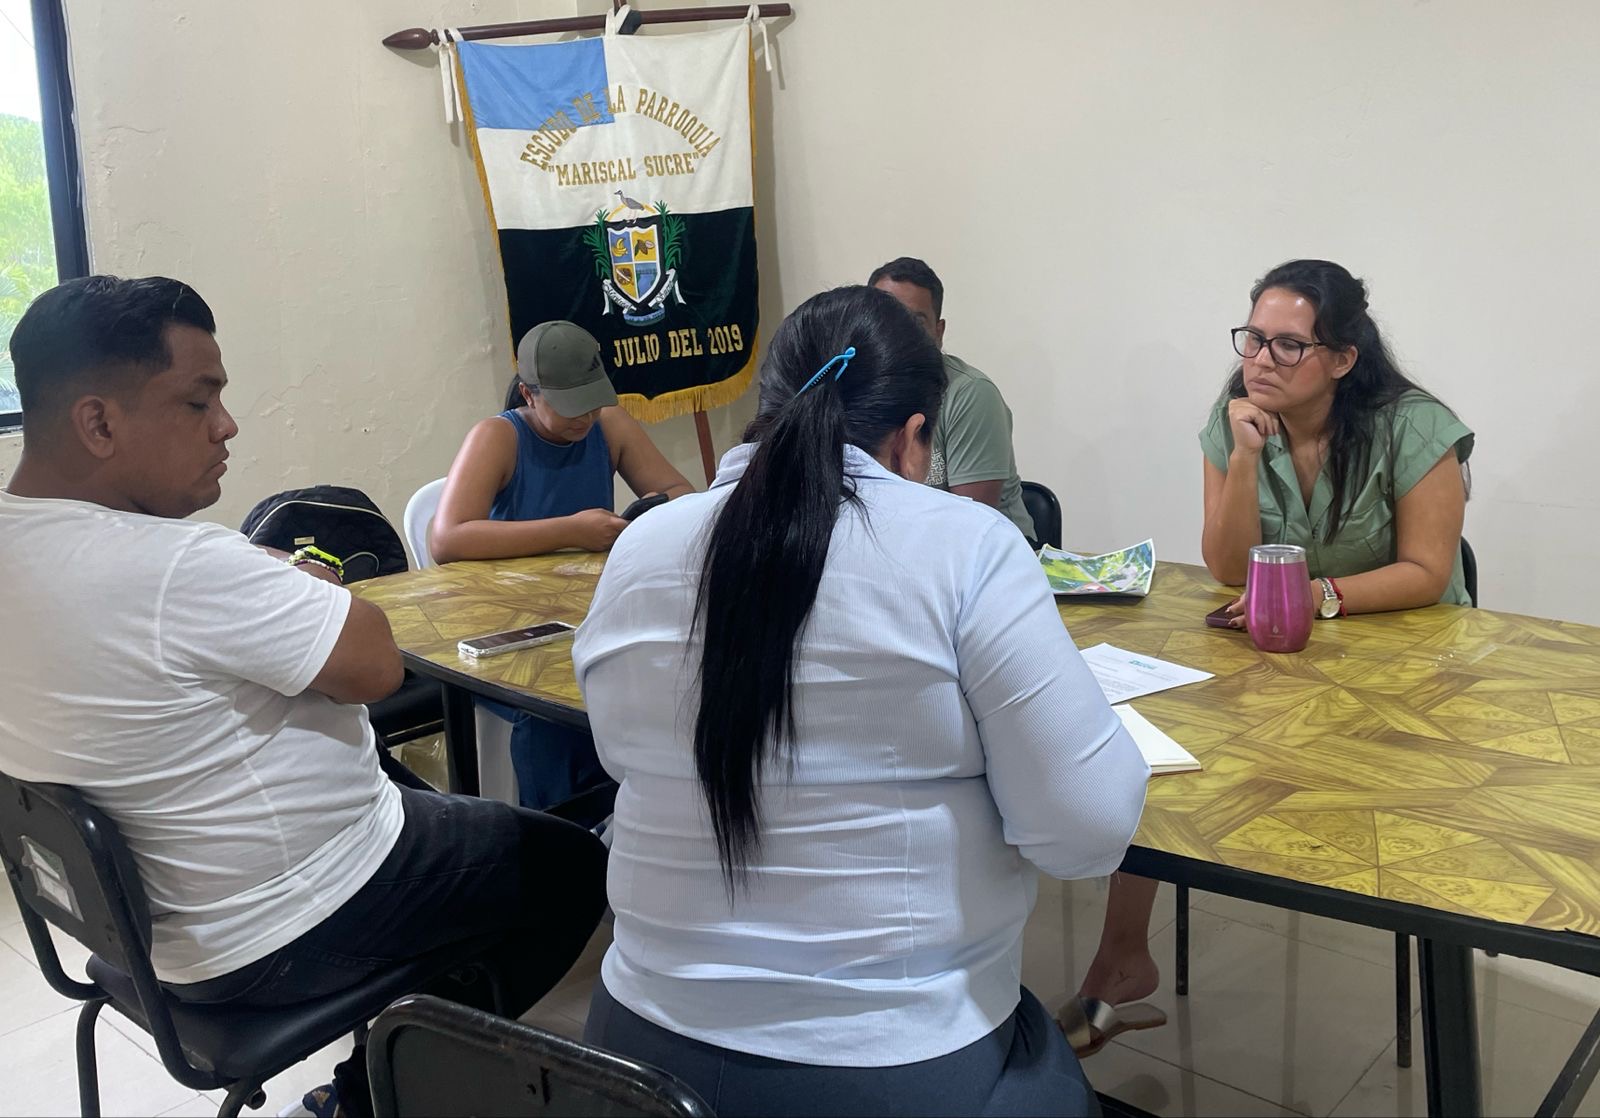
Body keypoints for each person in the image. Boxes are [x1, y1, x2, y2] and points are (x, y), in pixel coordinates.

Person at [0, 277, 608, 1118]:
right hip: (285, 920)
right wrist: (282, 578)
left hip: (138, 925)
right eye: (198, 401)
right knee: (575, 870)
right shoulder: (178, 566)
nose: (226, 425)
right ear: (99, 423)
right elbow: (375, 668)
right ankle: (373, 1093)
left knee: (434, 801)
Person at [571, 284, 1149, 1116]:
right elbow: (1087, 831)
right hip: (890, 1061)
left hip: (633, 1058)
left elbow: (621, 754)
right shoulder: (965, 546)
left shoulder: (641, 549)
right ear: (914, 438)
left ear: (767, 411)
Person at [1073, 258, 1474, 1045]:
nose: (1261, 359)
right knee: (1160, 748)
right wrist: (1247, 457)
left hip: (1404, 658)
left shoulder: (1414, 425)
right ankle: (1122, 956)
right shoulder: (1237, 418)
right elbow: (1228, 567)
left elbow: (1429, 571)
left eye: (1288, 345)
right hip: (1280, 655)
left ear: (1344, 357)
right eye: (1253, 338)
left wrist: (1316, 596)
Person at [430, 320, 694, 814]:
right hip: (510, 627)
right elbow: (447, 539)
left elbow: (680, 494)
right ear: (529, 394)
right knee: (554, 707)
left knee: (653, 669)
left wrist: (648, 514)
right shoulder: (497, 436)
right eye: (571, 407)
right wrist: (571, 531)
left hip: (586, 610)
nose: (585, 418)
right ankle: (560, 824)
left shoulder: (608, 425)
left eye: (593, 402)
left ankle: (632, 810)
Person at [869, 256, 1037, 544]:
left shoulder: (970, 394)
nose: (897, 335)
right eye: (886, 319)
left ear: (938, 332)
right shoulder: (857, 390)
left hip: (993, 554)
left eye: (914, 322)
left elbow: (970, 526)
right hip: (902, 549)